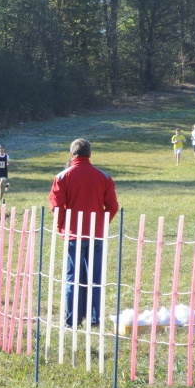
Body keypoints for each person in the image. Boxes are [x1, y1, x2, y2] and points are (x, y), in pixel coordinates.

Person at [48, 138, 119, 328]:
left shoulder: (62, 177)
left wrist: (62, 226)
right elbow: (112, 206)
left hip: (74, 234)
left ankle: (73, 319)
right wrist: (101, 223)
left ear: (72, 154)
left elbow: (57, 207)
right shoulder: (104, 177)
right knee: (95, 278)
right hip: (96, 234)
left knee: (73, 278)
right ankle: (94, 318)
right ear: (90, 154)